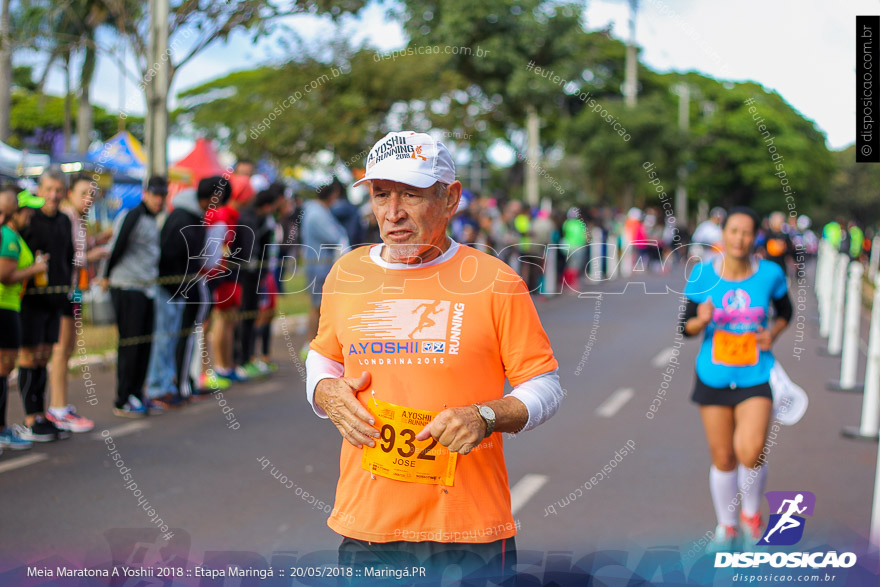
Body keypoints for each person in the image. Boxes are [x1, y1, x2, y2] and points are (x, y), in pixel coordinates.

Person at [306, 131, 563, 583]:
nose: (393, 212)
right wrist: (324, 389)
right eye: (381, 194)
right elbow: (323, 358)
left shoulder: (494, 281)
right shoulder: (348, 273)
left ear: (451, 199)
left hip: (469, 530)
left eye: (411, 194)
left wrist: (485, 415)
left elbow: (545, 386)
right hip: (368, 526)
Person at [681, 206, 793, 552]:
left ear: (754, 237)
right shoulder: (701, 276)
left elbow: (786, 311)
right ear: (723, 235)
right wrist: (701, 320)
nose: (739, 238)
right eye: (733, 231)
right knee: (724, 457)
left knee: (751, 449)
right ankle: (726, 526)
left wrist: (772, 334)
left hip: (756, 375)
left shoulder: (770, 274)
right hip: (713, 377)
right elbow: (686, 328)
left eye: (746, 232)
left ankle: (749, 515)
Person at [46, 173, 109, 432]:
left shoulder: (78, 220)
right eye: (83, 193)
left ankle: (61, 406)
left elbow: (77, 249)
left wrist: (96, 241)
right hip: (64, 292)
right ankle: (57, 409)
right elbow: (67, 256)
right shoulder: (66, 218)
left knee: (68, 349)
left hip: (76, 290)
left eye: (91, 194)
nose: (88, 199)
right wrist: (93, 253)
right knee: (61, 351)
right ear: (70, 193)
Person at [17, 167, 74, 441]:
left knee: (44, 357)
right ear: (39, 191)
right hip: (31, 301)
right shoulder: (30, 220)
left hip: (57, 299)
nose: (53, 195)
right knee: (29, 356)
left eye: (58, 190)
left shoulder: (64, 220)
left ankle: (42, 416)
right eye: (49, 190)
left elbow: (68, 257)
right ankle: (31, 419)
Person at [103, 176, 166, 418]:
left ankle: (138, 392)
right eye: (155, 194)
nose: (159, 200)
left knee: (144, 344)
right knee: (130, 344)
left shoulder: (153, 219)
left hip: (146, 288)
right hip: (128, 286)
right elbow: (118, 246)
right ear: (146, 193)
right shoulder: (134, 215)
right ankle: (123, 397)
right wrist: (107, 277)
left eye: (162, 195)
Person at [0, 186, 47, 449]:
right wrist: (35, 269)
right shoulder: (8, 235)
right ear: (14, 211)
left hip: (10, 307)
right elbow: (5, 275)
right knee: (3, 369)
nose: (30, 214)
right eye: (27, 209)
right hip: (5, 307)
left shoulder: (12, 235)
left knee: (4, 370)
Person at [300, 180, 348, 360]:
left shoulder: (317, 211)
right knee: (317, 307)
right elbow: (335, 236)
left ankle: (315, 344)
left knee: (321, 307)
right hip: (319, 268)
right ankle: (310, 344)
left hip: (321, 266)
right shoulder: (317, 213)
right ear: (332, 194)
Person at [758, 211, 794, 276]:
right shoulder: (767, 234)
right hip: (769, 264)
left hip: (781, 265)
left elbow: (790, 250)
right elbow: (761, 248)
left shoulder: (784, 236)